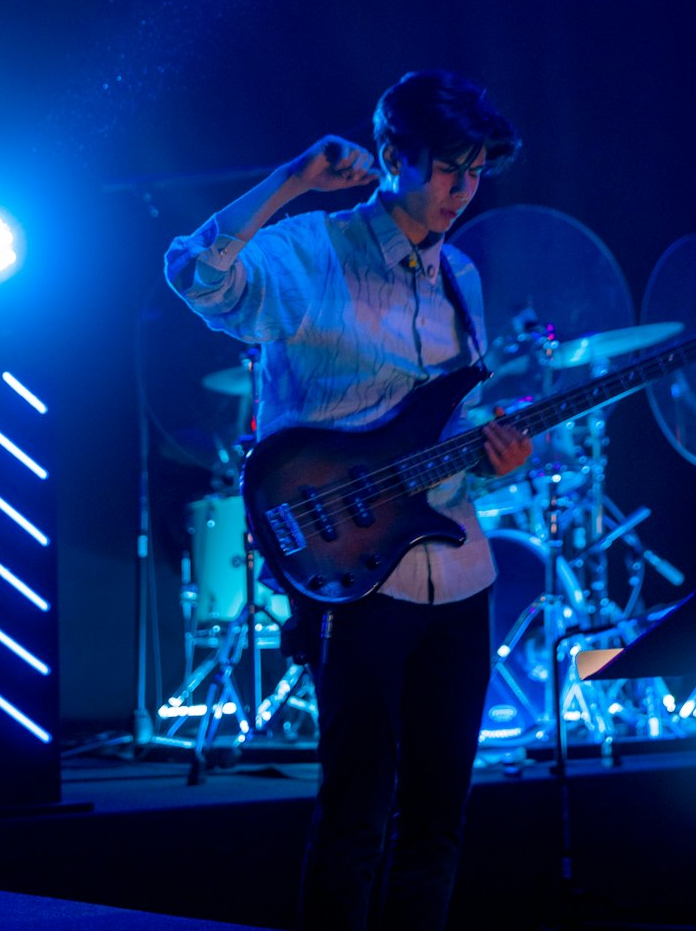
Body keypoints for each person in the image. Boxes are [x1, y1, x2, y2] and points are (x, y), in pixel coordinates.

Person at [164, 70, 530, 931]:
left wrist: (495, 459)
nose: (462, 190)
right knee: (356, 817)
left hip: (460, 570)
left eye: (475, 172)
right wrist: (291, 178)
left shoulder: (462, 278)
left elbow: (451, 425)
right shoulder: (311, 250)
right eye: (448, 168)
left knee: (439, 820)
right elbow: (196, 276)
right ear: (395, 154)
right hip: (356, 573)